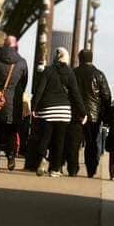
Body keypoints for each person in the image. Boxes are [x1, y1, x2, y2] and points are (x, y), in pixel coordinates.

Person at [30, 46, 85, 178]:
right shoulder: (70, 73)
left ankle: (42, 158)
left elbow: (39, 90)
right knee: (59, 142)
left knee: (45, 138)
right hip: (64, 112)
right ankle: (55, 169)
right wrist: (83, 112)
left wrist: (34, 107)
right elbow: (76, 94)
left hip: (47, 110)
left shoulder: (48, 71)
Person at [0, 34, 28, 172]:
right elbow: (23, 83)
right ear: (16, 46)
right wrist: (16, 94)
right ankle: (11, 155)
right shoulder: (22, 62)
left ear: (4, 45)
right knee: (12, 132)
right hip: (13, 103)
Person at [69, 49, 112, 178]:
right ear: (91, 59)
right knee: (91, 143)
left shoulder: (73, 73)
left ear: (79, 58)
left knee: (74, 142)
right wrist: (104, 113)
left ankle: (72, 168)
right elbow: (106, 95)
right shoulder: (99, 74)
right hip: (94, 115)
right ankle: (91, 169)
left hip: (75, 113)